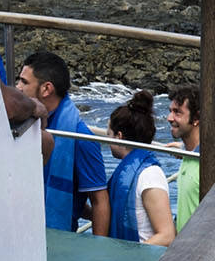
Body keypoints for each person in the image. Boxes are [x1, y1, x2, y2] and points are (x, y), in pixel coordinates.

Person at [22, 51, 108, 235]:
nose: (17, 87)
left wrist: (99, 254)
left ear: (46, 89)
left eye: (24, 82)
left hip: (57, 239)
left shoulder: (81, 137)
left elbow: (99, 200)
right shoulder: (26, 125)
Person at [104, 94, 175, 246]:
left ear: (119, 136)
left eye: (108, 135)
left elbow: (167, 235)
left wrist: (131, 257)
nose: (107, 141)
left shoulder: (150, 174)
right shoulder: (129, 171)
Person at [165, 85, 202, 231]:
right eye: (170, 111)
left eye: (177, 113)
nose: (169, 118)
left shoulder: (207, 162)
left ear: (196, 118)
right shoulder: (189, 155)